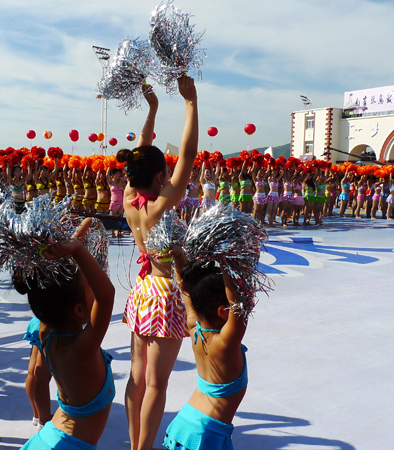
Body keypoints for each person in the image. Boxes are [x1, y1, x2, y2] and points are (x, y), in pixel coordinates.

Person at [120, 76, 198, 450]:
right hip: (166, 294)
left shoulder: (130, 200)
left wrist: (152, 109)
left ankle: (135, 442)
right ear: (159, 176)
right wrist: (190, 103)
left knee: (137, 380)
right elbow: (188, 153)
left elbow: (140, 153)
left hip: (142, 292)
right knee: (155, 384)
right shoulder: (161, 205)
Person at [16, 238, 116, 450]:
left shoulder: (46, 334)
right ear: (79, 310)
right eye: (89, 287)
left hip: (48, 439)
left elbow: (47, 295)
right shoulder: (83, 349)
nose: (93, 289)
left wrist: (63, 247)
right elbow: (106, 296)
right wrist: (77, 250)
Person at [161, 256, 248, 450]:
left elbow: (184, 288)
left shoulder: (194, 328)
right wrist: (227, 260)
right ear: (223, 311)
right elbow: (239, 303)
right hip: (206, 434)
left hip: (184, 423)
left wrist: (178, 258)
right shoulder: (226, 343)